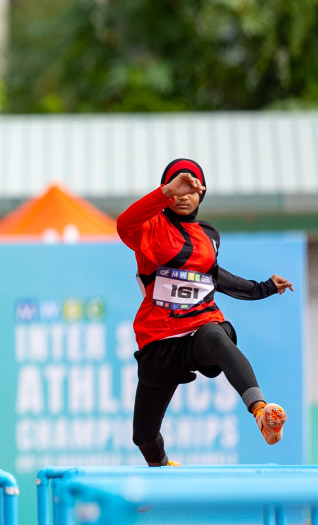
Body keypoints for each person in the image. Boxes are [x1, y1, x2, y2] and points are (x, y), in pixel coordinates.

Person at [118, 160, 292, 466]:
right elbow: (124, 224)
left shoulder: (208, 234)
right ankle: (160, 468)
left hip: (200, 326)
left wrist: (263, 287)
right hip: (159, 340)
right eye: (178, 190)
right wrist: (164, 192)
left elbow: (215, 276)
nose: (184, 196)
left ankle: (261, 411)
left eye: (191, 190)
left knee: (215, 333)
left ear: (203, 193)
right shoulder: (150, 227)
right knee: (143, 436)